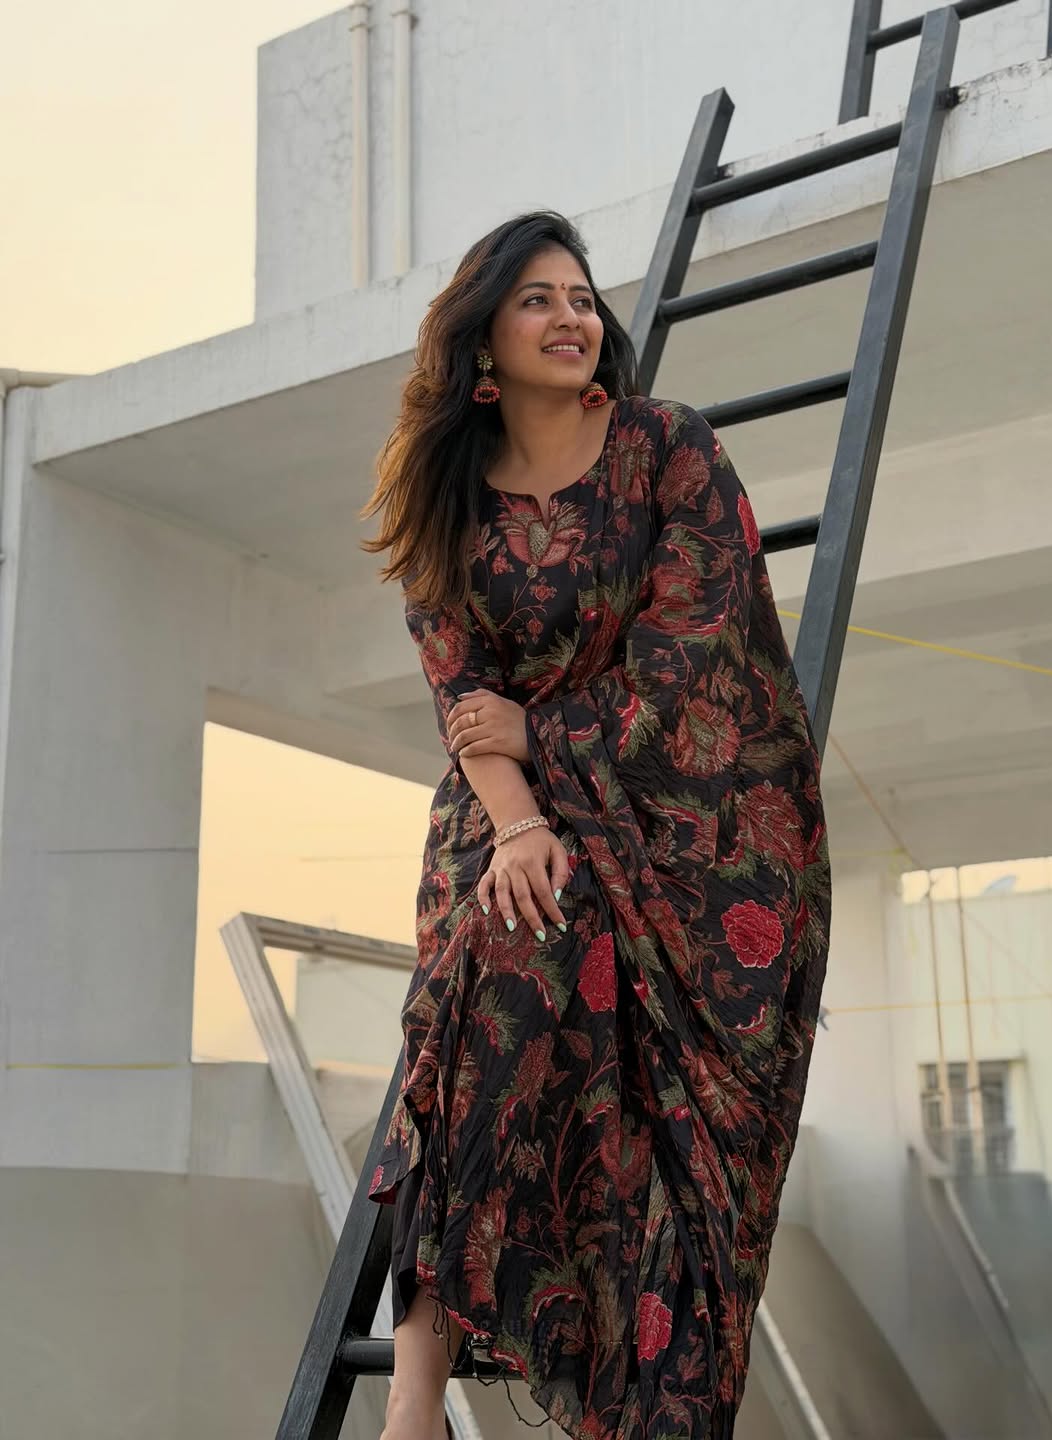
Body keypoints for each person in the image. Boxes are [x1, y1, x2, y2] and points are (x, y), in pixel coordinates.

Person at [359, 210, 830, 1440]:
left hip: (690, 822)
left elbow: (695, 650)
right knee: (503, 948)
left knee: (637, 1109)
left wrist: (545, 734)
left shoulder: (669, 448)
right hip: (509, 810)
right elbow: (465, 700)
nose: (572, 317)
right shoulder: (446, 496)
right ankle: (414, 1393)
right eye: (538, 299)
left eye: (581, 296)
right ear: (483, 342)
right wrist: (519, 823)